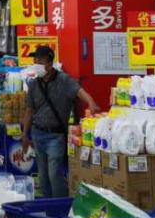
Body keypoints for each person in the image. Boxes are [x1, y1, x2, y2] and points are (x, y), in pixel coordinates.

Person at [20, 45, 98, 198]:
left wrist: (91, 102)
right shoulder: (34, 84)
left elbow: (79, 91)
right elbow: (29, 110)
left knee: (54, 174)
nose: (36, 64)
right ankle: (48, 207)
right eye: (35, 61)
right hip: (37, 133)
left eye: (40, 61)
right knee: (43, 176)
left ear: (50, 63)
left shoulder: (64, 80)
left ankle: (59, 206)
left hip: (56, 136)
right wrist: (24, 135)